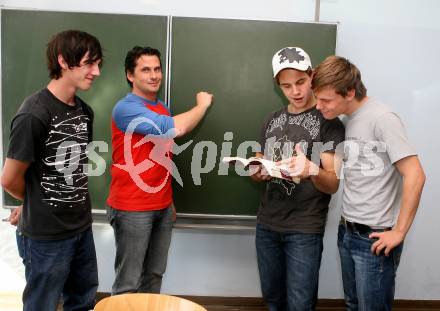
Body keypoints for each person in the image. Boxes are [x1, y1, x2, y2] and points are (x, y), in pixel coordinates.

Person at [312, 55, 426, 311]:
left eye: (325, 100)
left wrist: (399, 232)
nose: (318, 106)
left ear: (350, 91)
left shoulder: (382, 118)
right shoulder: (344, 121)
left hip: (374, 238)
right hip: (347, 232)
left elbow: (416, 174)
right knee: (353, 305)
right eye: (317, 97)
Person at [0, 30, 103, 311]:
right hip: (46, 237)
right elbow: (9, 178)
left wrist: (31, 200)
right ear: (63, 61)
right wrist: (33, 203)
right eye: (88, 63)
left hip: (80, 227)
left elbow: (71, 169)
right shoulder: (34, 113)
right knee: (42, 305)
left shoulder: (84, 112)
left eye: (98, 64)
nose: (95, 71)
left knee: (82, 301)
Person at [106, 46, 213, 295]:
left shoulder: (161, 107)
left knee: (154, 275)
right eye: (145, 70)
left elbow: (161, 158)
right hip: (132, 207)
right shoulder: (125, 108)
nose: (154, 75)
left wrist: (169, 201)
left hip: (162, 206)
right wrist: (202, 105)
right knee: (128, 283)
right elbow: (177, 128)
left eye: (157, 69)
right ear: (130, 76)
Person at [250, 47, 345, 310]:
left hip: (304, 229)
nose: (296, 91)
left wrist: (312, 170)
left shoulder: (330, 122)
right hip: (267, 225)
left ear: (312, 75)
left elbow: (333, 183)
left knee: (300, 304)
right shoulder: (271, 120)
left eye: (301, 82)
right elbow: (259, 163)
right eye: (287, 86)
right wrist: (257, 171)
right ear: (278, 86)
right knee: (273, 301)